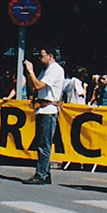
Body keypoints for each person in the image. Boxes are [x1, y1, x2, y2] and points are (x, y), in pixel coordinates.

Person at [22, 47, 65, 185]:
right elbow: (34, 86)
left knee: (44, 144)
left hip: (49, 110)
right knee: (41, 143)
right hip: (41, 109)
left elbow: (40, 85)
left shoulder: (55, 69)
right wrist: (29, 74)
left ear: (50, 56)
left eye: (42, 56)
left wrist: (31, 71)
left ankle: (41, 174)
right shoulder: (45, 70)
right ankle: (45, 172)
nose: (40, 59)